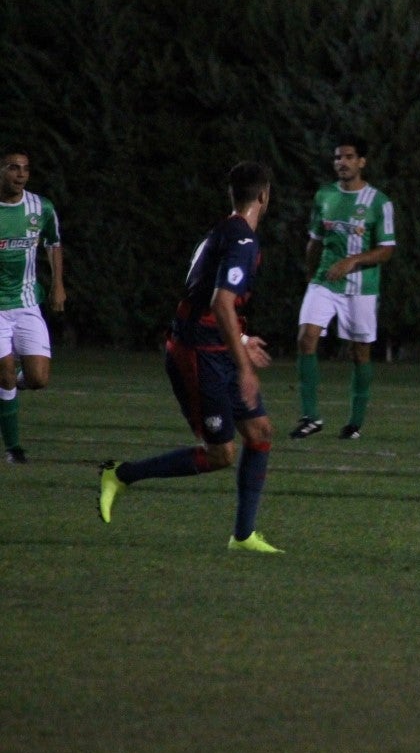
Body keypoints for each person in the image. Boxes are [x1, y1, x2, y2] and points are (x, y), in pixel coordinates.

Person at [98, 161, 283, 552]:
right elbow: (219, 304)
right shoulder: (242, 241)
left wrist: (242, 337)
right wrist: (245, 366)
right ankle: (121, 474)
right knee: (221, 454)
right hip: (198, 355)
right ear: (264, 196)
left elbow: (201, 298)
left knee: (260, 432)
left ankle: (244, 535)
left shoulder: (221, 232)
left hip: (214, 346)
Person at [290, 135, 396, 441]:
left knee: (359, 353)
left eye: (349, 157)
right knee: (306, 338)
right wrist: (311, 275)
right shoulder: (324, 196)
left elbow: (387, 249)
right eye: (338, 158)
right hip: (325, 281)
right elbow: (315, 241)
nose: (342, 163)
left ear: (361, 162)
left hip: (362, 288)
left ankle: (354, 423)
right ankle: (310, 417)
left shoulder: (379, 202)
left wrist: (354, 261)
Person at [0, 145, 65, 464]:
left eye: (24, 168)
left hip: (27, 303)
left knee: (38, 378)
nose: (20, 174)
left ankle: (6, 384)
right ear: (2, 172)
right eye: (13, 167)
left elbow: (54, 244)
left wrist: (58, 285)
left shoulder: (41, 207)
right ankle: (13, 449)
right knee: (6, 375)